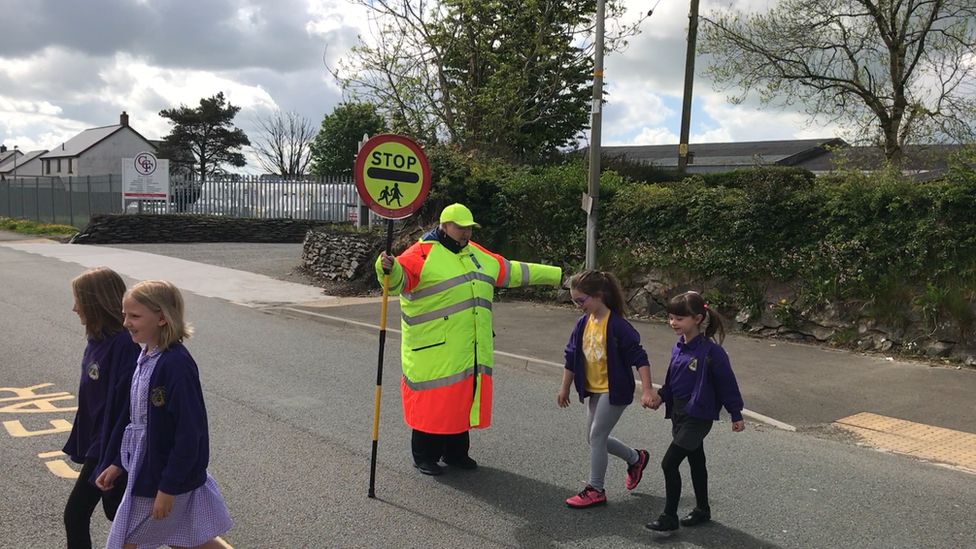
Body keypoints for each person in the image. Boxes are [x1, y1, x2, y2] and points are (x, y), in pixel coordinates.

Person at [377, 203, 562, 475]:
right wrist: (385, 268)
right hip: (433, 351)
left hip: (470, 349)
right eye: (461, 227)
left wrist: (556, 275)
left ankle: (456, 454)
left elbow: (512, 271)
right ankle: (423, 456)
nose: (466, 233)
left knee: (462, 402)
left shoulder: (476, 254)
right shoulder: (421, 253)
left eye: (469, 228)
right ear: (444, 225)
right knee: (432, 404)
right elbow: (397, 280)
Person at [96, 280, 233, 549]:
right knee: (187, 540)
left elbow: (188, 432)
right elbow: (136, 420)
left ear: (162, 317)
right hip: (147, 469)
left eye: (134, 316)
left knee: (128, 541)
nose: (126, 323)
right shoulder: (146, 355)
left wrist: (169, 487)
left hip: (162, 474)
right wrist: (118, 462)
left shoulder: (175, 365)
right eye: (125, 315)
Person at [645, 291, 745, 533]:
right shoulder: (679, 347)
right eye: (670, 318)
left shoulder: (712, 353)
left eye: (679, 318)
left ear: (698, 318)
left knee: (669, 464)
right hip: (679, 413)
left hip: (697, 417)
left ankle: (669, 516)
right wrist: (661, 398)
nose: (673, 323)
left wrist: (736, 414)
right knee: (696, 460)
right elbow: (673, 382)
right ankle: (702, 509)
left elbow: (727, 384)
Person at [557, 270, 654, 508]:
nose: (578, 306)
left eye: (581, 300)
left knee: (597, 436)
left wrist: (648, 390)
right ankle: (636, 458)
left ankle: (596, 489)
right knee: (592, 439)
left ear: (599, 295)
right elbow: (571, 357)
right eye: (574, 301)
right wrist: (564, 388)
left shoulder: (618, 326)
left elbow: (640, 358)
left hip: (615, 389)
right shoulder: (583, 324)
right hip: (593, 389)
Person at [63, 267, 141, 549]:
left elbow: (127, 407)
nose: (74, 308)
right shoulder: (96, 340)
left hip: (111, 446)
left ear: (96, 303)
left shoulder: (124, 346)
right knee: (124, 519)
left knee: (76, 515)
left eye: (79, 301)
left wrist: (114, 457)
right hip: (99, 443)